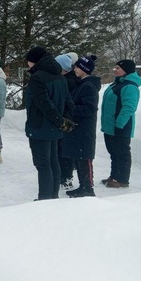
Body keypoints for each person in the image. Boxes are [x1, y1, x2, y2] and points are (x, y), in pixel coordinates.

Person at [24, 46, 74, 200]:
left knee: (43, 164)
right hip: (54, 127)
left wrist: (59, 120)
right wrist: (63, 120)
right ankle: (52, 197)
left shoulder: (37, 78)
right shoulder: (59, 76)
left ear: (34, 61)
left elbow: (44, 104)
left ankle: (45, 199)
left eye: (29, 62)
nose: (28, 65)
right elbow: (68, 101)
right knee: (53, 162)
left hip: (40, 126)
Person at [62, 55, 101, 198]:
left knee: (84, 158)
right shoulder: (82, 84)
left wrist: (70, 109)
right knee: (78, 157)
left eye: (78, 67)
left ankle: (88, 188)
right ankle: (82, 186)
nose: (75, 69)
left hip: (84, 128)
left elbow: (90, 108)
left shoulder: (88, 86)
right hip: (77, 128)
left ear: (84, 70)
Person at [100, 59, 141, 188]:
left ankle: (122, 179)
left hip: (121, 127)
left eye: (118, 68)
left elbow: (129, 107)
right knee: (114, 152)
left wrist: (119, 124)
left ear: (126, 70)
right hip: (110, 127)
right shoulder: (117, 83)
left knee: (121, 152)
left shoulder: (129, 86)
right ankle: (114, 176)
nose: (115, 70)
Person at [55, 53, 79, 189]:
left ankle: (66, 178)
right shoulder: (68, 79)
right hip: (66, 119)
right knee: (63, 150)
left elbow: (67, 101)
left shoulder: (68, 81)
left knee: (64, 151)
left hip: (66, 120)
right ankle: (64, 176)